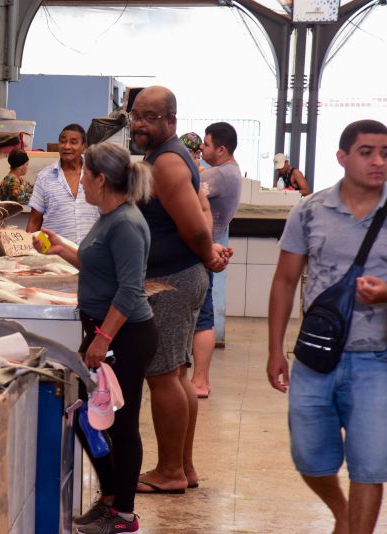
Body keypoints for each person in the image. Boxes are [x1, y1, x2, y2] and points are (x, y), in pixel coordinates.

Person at [268, 119, 387, 534]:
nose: (378, 161)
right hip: (317, 356)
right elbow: (284, 281)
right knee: (310, 457)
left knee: (370, 465)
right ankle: (342, 513)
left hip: (378, 359)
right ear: (342, 157)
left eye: (385, 153)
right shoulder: (310, 210)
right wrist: (274, 350)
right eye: (367, 152)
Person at [34, 142, 157, 534]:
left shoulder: (126, 223)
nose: (81, 180)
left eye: (86, 175)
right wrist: (61, 250)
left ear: (101, 179)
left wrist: (102, 339)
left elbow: (129, 291)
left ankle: (123, 513)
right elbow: (97, 265)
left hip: (125, 336)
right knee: (90, 417)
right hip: (106, 332)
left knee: (118, 423)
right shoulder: (108, 216)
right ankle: (109, 498)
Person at [129, 86, 229, 495]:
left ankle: (169, 471)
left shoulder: (167, 164)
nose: (139, 123)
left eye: (150, 117)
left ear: (171, 120)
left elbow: (192, 224)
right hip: (179, 275)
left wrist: (207, 255)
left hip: (171, 278)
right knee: (177, 373)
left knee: (164, 376)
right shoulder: (168, 157)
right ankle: (183, 467)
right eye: (136, 114)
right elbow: (198, 216)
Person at [191, 122, 243, 399]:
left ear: (222, 149)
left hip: (200, 253)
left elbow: (183, 189)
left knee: (202, 318)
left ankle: (200, 381)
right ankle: (199, 379)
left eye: (207, 145)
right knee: (202, 315)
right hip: (206, 249)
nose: (202, 149)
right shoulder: (229, 172)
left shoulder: (221, 175)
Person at [26, 124, 100, 244]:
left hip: (93, 255)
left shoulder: (96, 173)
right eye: (63, 141)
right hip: (55, 257)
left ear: (84, 147)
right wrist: (27, 250)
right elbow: (34, 222)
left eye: (73, 142)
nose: (66, 146)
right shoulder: (44, 177)